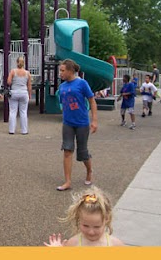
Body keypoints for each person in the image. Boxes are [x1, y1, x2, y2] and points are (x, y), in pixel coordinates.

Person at [55, 59, 99, 191]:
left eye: (62, 70)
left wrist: (94, 120)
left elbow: (92, 101)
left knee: (82, 152)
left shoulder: (82, 83)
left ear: (70, 70)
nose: (60, 73)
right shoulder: (62, 87)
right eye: (60, 70)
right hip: (68, 123)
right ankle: (67, 181)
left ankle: (89, 171)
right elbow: (63, 102)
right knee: (67, 150)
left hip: (82, 123)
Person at [44, 187, 125, 247]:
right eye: (85, 225)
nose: (91, 232)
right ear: (79, 219)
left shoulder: (116, 245)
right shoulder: (73, 243)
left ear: (107, 219)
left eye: (97, 227)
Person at [6, 55, 32, 135]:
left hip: (14, 92)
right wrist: (29, 94)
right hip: (24, 93)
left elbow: (9, 82)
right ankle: (24, 130)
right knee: (23, 112)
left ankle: (11, 130)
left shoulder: (13, 71)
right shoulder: (27, 73)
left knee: (13, 112)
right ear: (23, 63)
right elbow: (29, 85)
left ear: (17, 63)